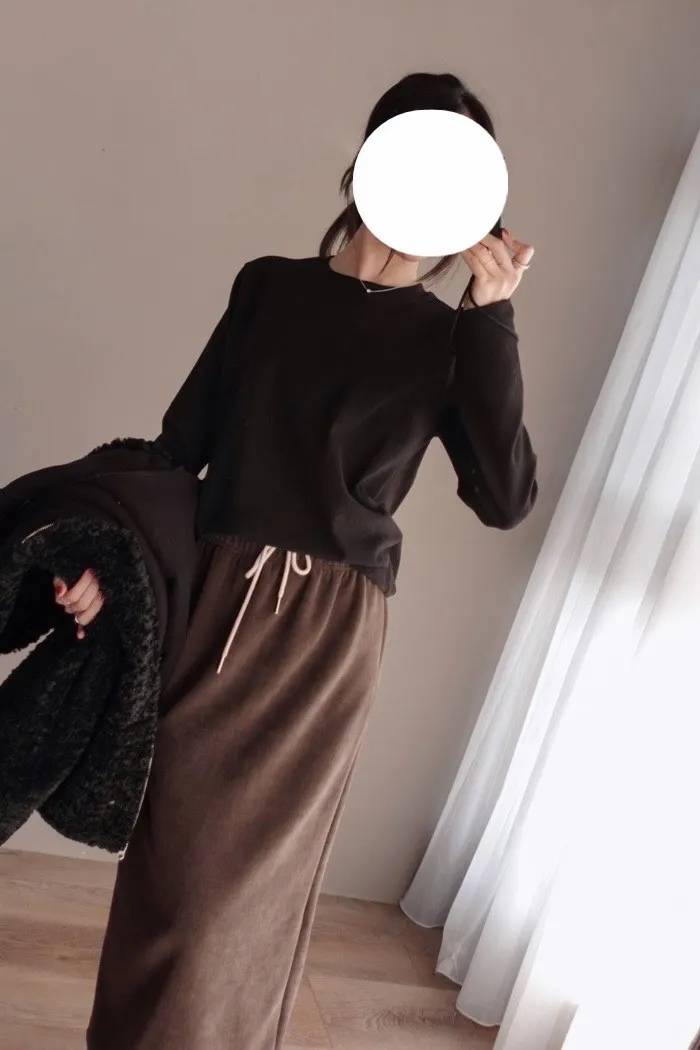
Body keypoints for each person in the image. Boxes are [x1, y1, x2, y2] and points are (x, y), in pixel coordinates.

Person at [55, 71, 537, 1050]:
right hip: (210, 599)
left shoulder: (452, 339)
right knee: (166, 879)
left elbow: (505, 494)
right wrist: (110, 561)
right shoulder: (268, 287)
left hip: (321, 637)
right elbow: (179, 450)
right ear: (371, 160)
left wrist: (491, 318)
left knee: (233, 911)